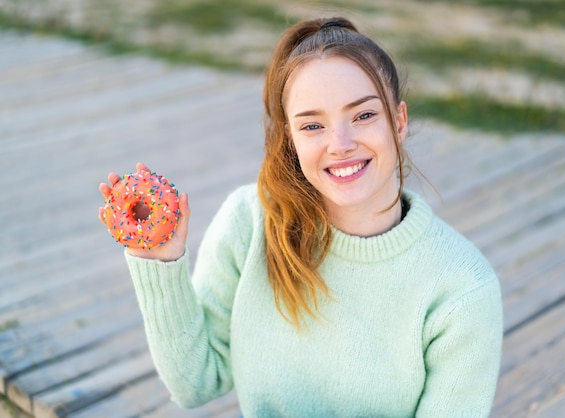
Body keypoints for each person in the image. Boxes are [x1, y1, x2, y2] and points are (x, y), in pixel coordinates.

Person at [98, 16, 503, 417]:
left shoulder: (462, 286)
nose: (340, 144)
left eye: (363, 115)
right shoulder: (250, 222)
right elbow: (195, 383)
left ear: (398, 121)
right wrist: (159, 262)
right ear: (290, 138)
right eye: (312, 125)